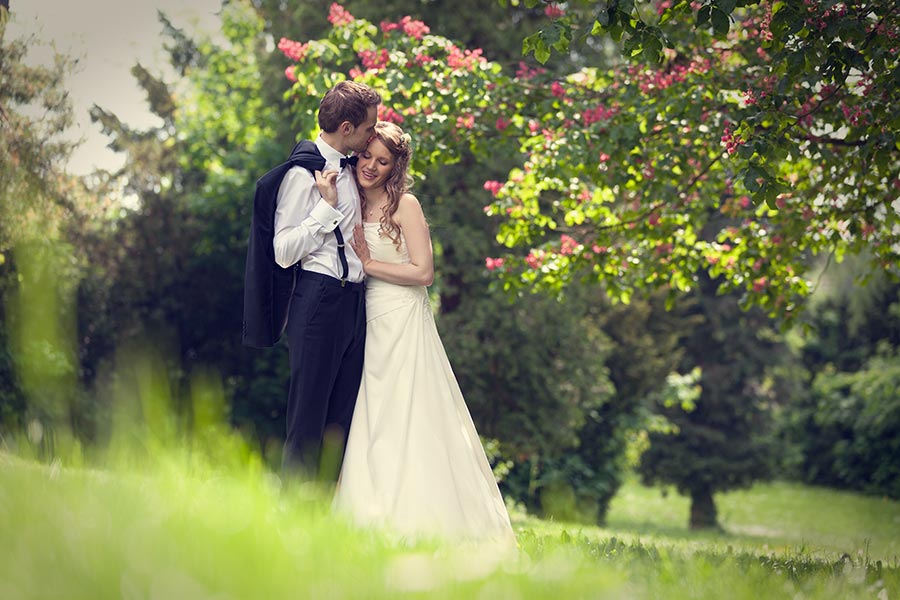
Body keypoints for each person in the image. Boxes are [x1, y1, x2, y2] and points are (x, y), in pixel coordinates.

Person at [316, 121, 516, 545]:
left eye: (382, 161)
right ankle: (366, 512)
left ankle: (424, 516)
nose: (371, 165)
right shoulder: (350, 198)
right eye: (367, 156)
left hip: (403, 322)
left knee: (408, 413)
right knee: (370, 415)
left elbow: (423, 272)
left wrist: (370, 264)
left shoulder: (405, 205)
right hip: (365, 320)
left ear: (395, 167)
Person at [243, 80, 381, 482]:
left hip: (354, 303)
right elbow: (283, 251)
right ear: (346, 127)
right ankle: (294, 516)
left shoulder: (355, 169)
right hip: (318, 300)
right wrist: (325, 210)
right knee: (307, 421)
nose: (372, 134)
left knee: (340, 422)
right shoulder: (302, 175)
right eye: (369, 127)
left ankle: (323, 518)